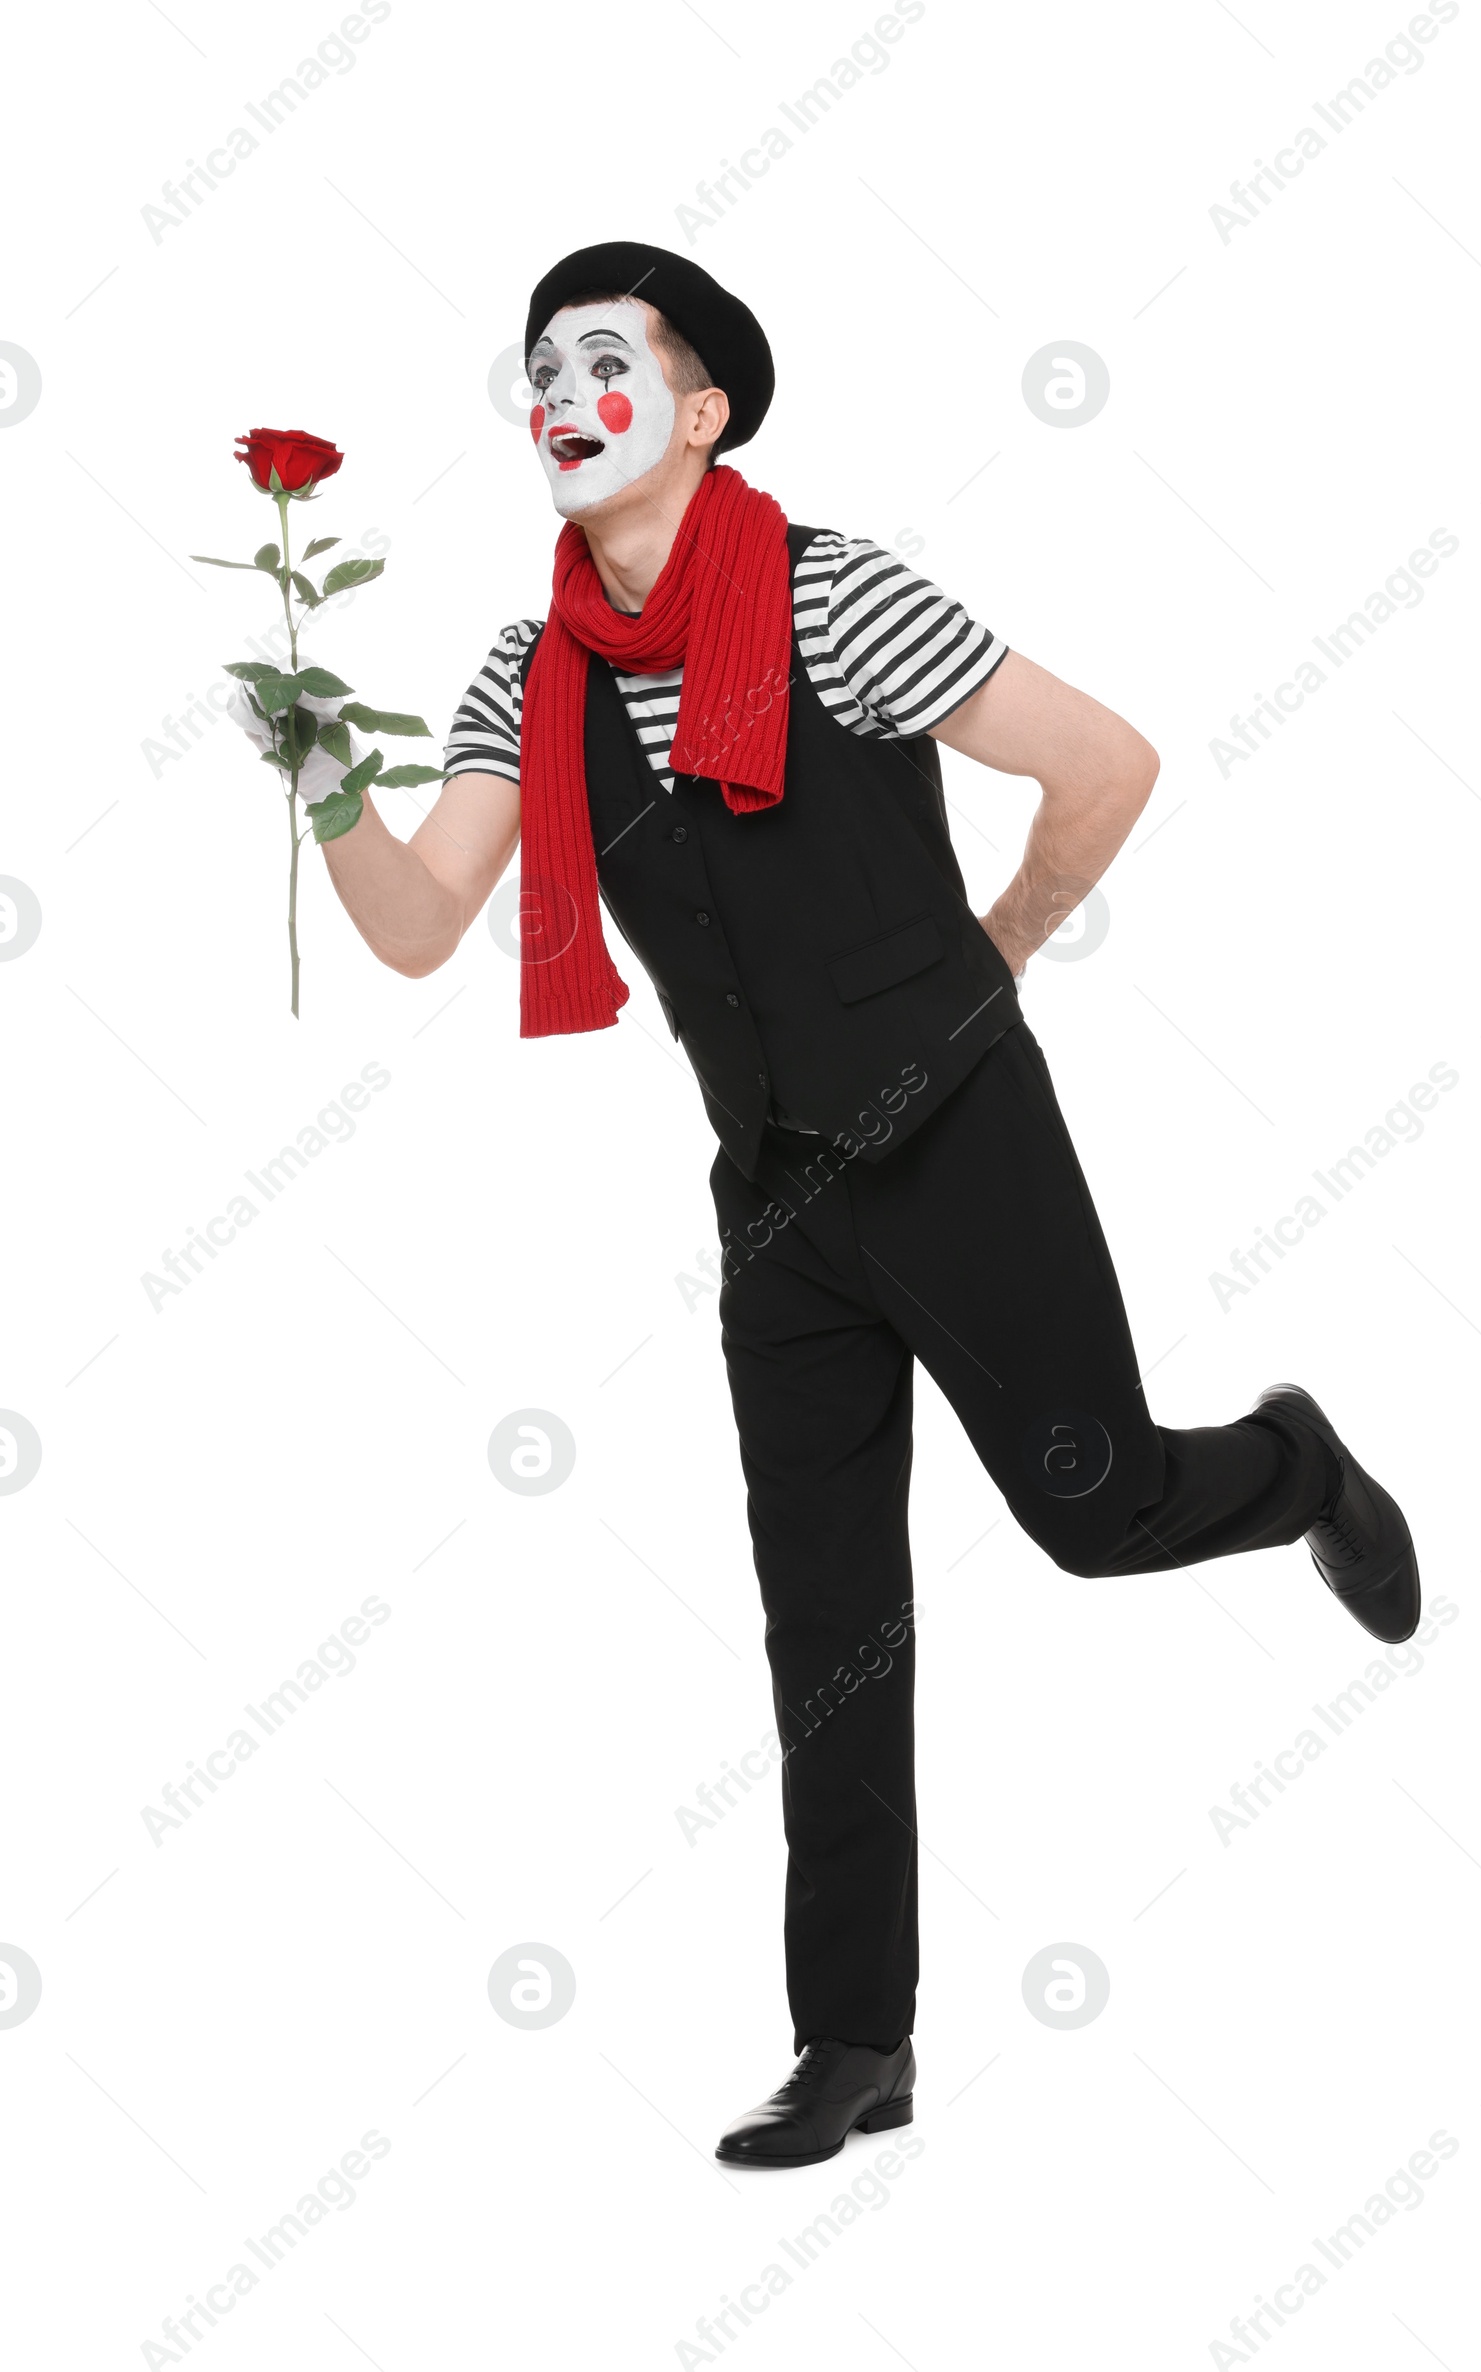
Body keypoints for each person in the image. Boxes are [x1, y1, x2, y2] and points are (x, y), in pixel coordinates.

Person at [230, 242, 1420, 2171]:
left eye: (605, 359)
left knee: (1097, 1518)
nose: (560, 388)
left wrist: (993, 958)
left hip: (965, 1143)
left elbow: (1105, 764)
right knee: (828, 1626)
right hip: (777, 1202)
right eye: (539, 366)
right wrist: (321, 783)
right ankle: (859, 2042)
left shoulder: (830, 596)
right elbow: (418, 923)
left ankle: (1298, 1469)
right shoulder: (526, 674)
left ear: (700, 413)